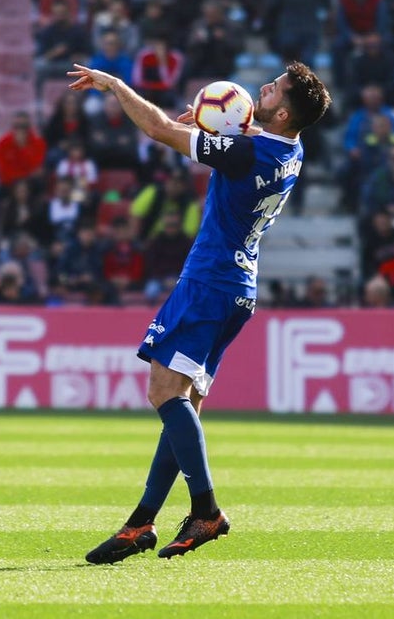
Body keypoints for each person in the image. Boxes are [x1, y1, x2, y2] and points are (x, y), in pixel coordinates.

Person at [66, 60, 330, 563]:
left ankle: (206, 511)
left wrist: (115, 85)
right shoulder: (291, 149)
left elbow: (159, 128)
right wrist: (219, 127)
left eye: (277, 88)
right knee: (182, 402)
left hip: (209, 283)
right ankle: (140, 523)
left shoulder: (245, 150)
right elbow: (256, 138)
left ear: (282, 113)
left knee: (163, 392)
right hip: (239, 287)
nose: (266, 86)